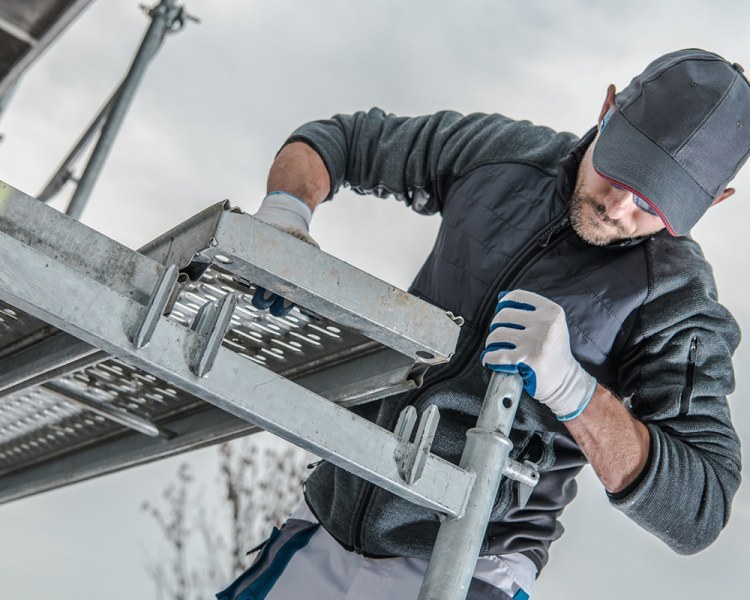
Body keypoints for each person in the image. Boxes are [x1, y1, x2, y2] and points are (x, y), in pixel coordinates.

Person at [218, 48, 749, 600]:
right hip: (328, 518)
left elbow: (700, 509)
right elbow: (340, 142)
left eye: (652, 201)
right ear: (608, 109)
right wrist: (284, 215)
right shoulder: (504, 156)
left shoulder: (675, 298)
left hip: (470, 564)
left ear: (714, 201)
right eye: (621, 169)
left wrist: (575, 391)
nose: (619, 206)